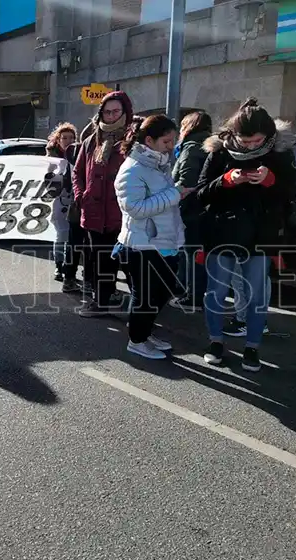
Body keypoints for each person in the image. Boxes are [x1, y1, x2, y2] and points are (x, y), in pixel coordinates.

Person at [196, 98, 296, 371]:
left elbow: (291, 195)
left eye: (257, 142)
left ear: (269, 136)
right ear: (233, 134)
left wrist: (271, 181)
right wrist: (226, 180)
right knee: (216, 292)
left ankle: (252, 348)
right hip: (222, 233)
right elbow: (201, 193)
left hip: (261, 236)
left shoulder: (280, 153)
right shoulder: (220, 152)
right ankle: (215, 342)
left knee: (256, 296)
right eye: (245, 141)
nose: (251, 147)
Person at [114, 115, 185, 359]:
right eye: (166, 141)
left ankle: (144, 332)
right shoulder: (132, 169)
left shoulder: (159, 164)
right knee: (145, 297)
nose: (171, 146)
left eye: (173, 141)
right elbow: (135, 208)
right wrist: (175, 194)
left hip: (164, 242)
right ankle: (137, 340)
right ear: (149, 141)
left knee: (163, 292)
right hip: (141, 245)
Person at [72, 91, 135, 317]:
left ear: (125, 112)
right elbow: (77, 172)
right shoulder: (91, 141)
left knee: (130, 263)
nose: (111, 116)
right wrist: (82, 196)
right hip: (94, 214)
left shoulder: (133, 140)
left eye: (116, 111)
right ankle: (101, 302)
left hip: (124, 215)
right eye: (107, 112)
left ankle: (143, 306)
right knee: (100, 262)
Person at [169, 111, 212, 312]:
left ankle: (192, 296)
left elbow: (186, 181)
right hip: (203, 208)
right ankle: (192, 291)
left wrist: (172, 198)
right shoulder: (209, 146)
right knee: (197, 254)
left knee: (191, 253)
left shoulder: (192, 148)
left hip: (190, 209)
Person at [45, 122, 81, 293]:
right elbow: (46, 180)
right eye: (64, 138)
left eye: (71, 138)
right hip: (59, 201)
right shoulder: (52, 159)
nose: (68, 141)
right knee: (61, 234)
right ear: (58, 140)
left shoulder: (79, 154)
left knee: (74, 237)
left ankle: (71, 267)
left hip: (76, 201)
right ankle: (59, 266)